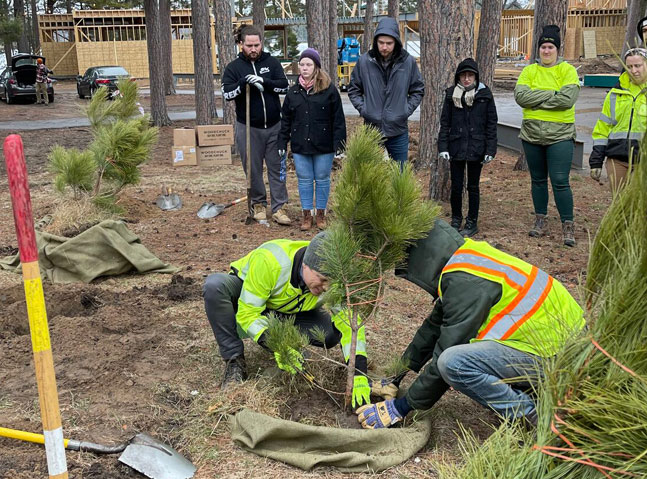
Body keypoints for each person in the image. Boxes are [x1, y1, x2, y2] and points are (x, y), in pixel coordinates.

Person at [355, 220, 585, 429]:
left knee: (453, 363)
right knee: (455, 357)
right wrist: (395, 376)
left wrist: (401, 407)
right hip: (559, 345)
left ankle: (534, 416)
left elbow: (447, 348)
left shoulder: (465, 281)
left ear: (421, 258)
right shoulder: (466, 260)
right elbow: (433, 328)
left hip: (560, 358)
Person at [203, 232, 371, 407]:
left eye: (331, 282)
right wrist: (279, 345)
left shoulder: (332, 270)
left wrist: (359, 372)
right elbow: (248, 313)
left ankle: (290, 341)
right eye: (322, 280)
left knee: (329, 335)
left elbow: (349, 322)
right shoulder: (270, 261)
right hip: (247, 296)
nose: (326, 288)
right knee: (215, 286)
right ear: (306, 265)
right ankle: (234, 361)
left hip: (288, 309)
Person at [514, 25, 580, 247]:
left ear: (557, 49)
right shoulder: (529, 71)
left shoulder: (567, 71)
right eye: (543, 46)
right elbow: (521, 97)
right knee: (538, 179)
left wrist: (537, 100)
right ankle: (540, 219)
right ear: (538, 49)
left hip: (560, 135)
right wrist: (552, 93)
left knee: (560, 181)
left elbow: (567, 100)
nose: (547, 51)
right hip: (532, 135)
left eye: (551, 46)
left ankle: (567, 224)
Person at [222, 25, 292, 226]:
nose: (254, 49)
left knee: (277, 167)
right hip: (248, 127)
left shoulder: (272, 63)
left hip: (274, 126)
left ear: (262, 43)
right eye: (249, 45)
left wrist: (265, 81)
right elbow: (227, 94)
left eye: (257, 45)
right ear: (241, 44)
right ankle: (258, 204)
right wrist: (243, 83)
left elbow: (284, 86)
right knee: (252, 168)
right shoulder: (234, 68)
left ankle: (279, 207)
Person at [278, 48, 346, 232]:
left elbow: (338, 118)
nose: (305, 68)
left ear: (316, 66)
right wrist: (282, 142)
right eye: (302, 64)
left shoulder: (328, 90)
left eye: (309, 64)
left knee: (322, 178)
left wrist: (340, 145)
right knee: (305, 179)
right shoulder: (293, 93)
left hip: (324, 144)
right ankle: (306, 214)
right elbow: (285, 121)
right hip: (301, 144)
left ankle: (321, 214)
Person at [348, 17, 425, 169]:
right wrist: (365, 110)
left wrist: (404, 111)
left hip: (398, 130)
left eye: (389, 43)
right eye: (381, 42)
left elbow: (417, 89)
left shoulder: (407, 62)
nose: (384, 47)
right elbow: (354, 89)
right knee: (370, 176)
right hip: (371, 129)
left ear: (396, 42)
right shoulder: (364, 61)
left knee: (399, 174)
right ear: (375, 41)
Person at [438, 58, 498, 238]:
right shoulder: (451, 95)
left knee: (473, 186)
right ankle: (456, 218)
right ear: (458, 77)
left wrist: (490, 150)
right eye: (463, 75)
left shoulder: (485, 95)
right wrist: (443, 146)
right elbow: (445, 122)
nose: (466, 79)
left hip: (476, 147)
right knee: (456, 185)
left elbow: (491, 124)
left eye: (470, 75)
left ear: (476, 77)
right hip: (456, 146)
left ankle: (472, 220)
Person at [589, 48, 647, 193]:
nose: (633, 70)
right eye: (629, 67)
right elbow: (602, 128)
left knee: (640, 205)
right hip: (617, 159)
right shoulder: (615, 93)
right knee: (618, 205)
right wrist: (596, 161)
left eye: (638, 65)